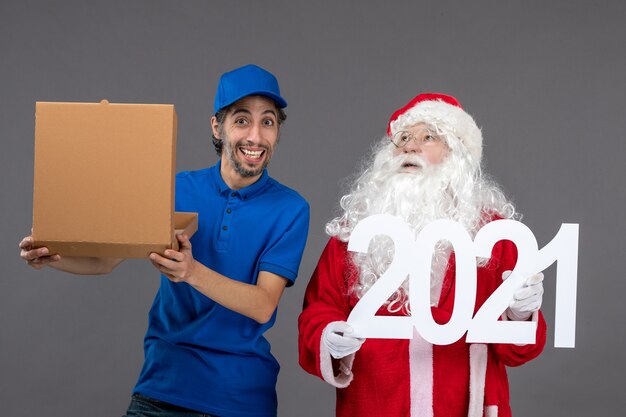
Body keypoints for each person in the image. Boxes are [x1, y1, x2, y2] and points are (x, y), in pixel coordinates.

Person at [20, 64, 310, 417]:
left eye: (268, 122)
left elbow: (264, 303)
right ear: (217, 127)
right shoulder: (175, 189)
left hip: (241, 398)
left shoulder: (291, 208)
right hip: (162, 389)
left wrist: (190, 272)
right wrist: (52, 255)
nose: (255, 136)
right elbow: (106, 260)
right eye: (241, 120)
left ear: (278, 131)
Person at [298, 93, 546, 417]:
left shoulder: (496, 236)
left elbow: (518, 350)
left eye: (428, 136)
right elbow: (319, 308)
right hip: (376, 405)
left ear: (457, 155)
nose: (409, 147)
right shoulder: (354, 234)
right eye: (402, 139)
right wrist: (329, 337)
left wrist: (520, 315)